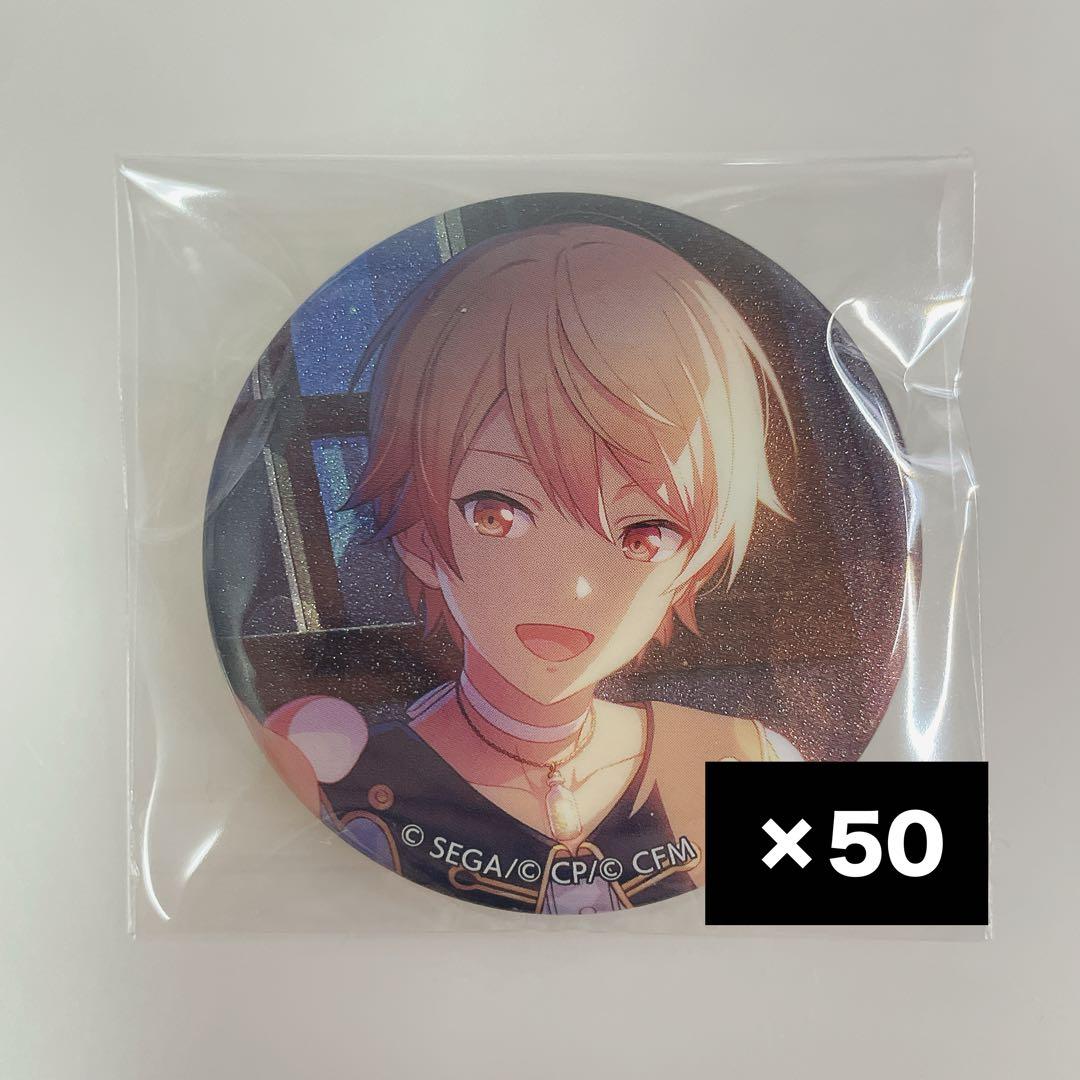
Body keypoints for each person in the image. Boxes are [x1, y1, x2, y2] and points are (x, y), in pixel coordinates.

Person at [260, 222, 802, 915]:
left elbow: (816, 953)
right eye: (497, 514)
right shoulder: (350, 786)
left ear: (695, 561)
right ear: (419, 534)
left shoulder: (746, 764)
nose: (572, 587)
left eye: (643, 533)